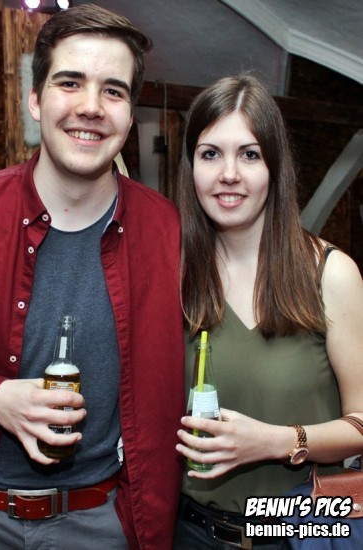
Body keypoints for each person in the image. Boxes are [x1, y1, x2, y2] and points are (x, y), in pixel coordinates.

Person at [0, 5, 184, 549]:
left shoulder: (165, 228)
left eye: (113, 91)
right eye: (70, 82)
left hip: (105, 522)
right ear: (35, 99)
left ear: (129, 113)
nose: (91, 106)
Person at [172, 74, 363, 549]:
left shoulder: (331, 274)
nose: (228, 174)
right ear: (191, 167)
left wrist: (277, 441)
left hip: (299, 532)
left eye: (250, 154)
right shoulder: (172, 274)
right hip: (190, 532)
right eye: (210, 154)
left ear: (275, 167)